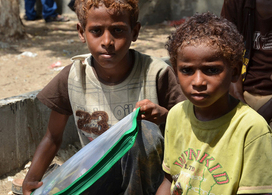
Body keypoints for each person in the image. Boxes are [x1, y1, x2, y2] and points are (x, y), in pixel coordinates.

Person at [22, 0, 186, 194]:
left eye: (117, 31)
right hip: (96, 176)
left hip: (148, 181)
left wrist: (165, 115)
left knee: (142, 131)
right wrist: (31, 180)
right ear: (82, 32)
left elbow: (189, 126)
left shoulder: (156, 73)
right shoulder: (74, 76)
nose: (107, 41)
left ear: (134, 32)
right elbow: (53, 137)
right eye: (96, 31)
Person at [156, 12, 272, 194]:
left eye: (211, 70)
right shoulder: (176, 115)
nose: (198, 82)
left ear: (234, 72)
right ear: (175, 72)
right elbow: (169, 179)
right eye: (187, 70)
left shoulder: (252, 129)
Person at [221, 0, 272, 127]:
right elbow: (228, 55)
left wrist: (260, 118)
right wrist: (240, 103)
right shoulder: (235, 4)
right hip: (243, 91)